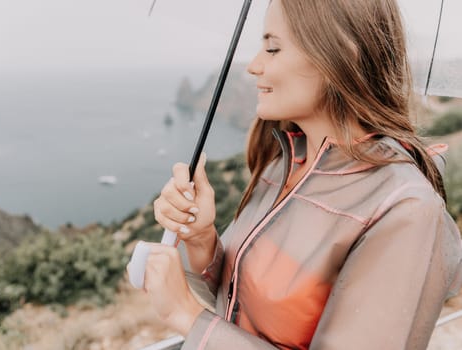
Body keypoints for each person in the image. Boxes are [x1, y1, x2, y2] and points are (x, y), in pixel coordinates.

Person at [135, 0, 462, 348]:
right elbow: (244, 300)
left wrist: (186, 317)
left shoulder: (405, 208)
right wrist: (202, 239)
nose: (255, 66)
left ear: (341, 56)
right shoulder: (284, 163)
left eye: (273, 48)